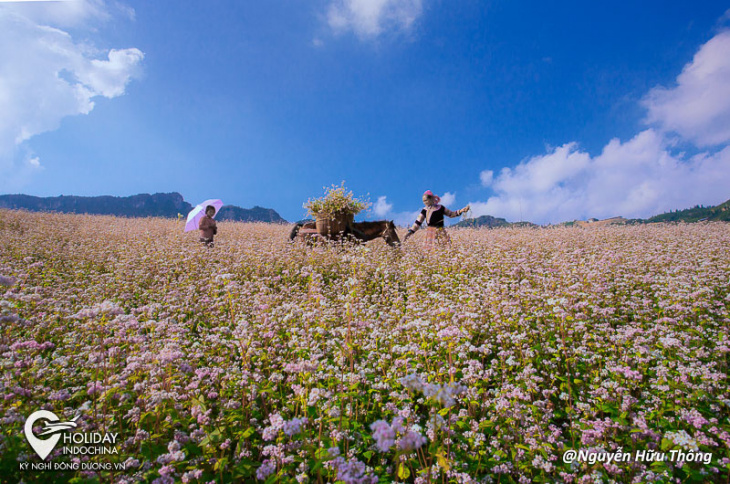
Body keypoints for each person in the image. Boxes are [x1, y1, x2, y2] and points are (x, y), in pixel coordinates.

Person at [404, 190, 469, 245]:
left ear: (431, 199)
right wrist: (410, 232)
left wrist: (461, 210)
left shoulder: (440, 208)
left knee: (446, 250)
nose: (424, 202)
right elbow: (418, 222)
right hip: (430, 233)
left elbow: (451, 214)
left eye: (426, 200)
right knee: (429, 253)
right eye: (423, 201)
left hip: (441, 231)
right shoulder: (425, 210)